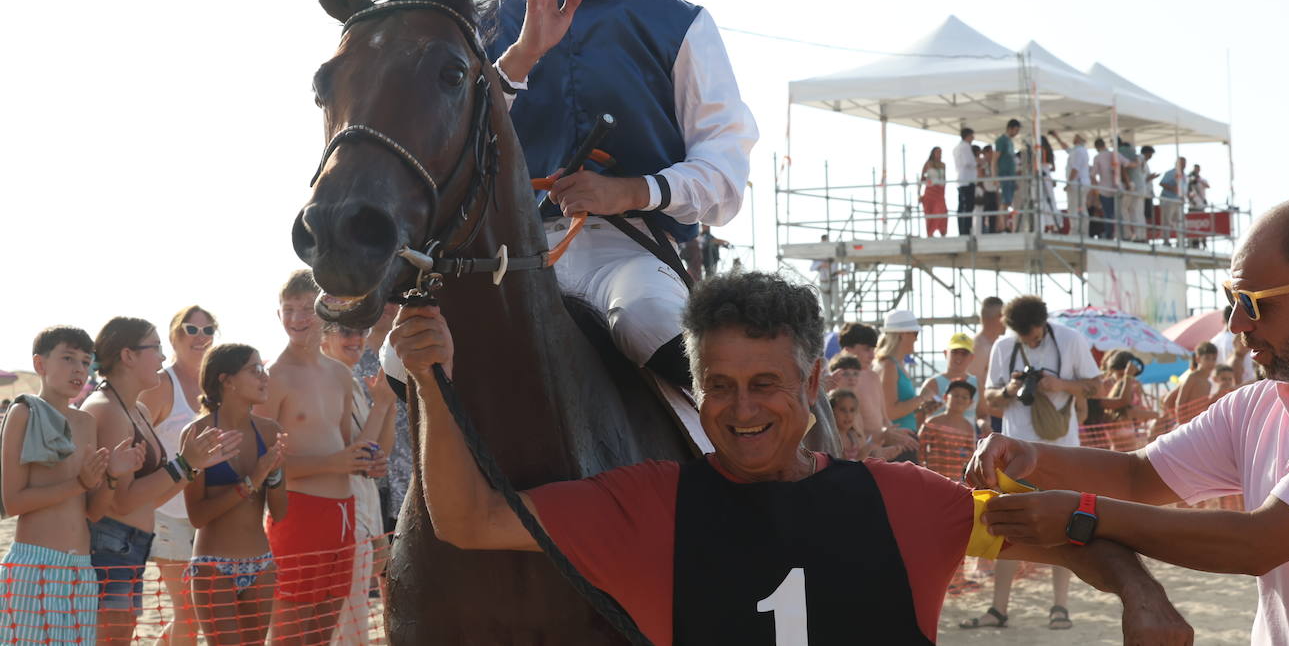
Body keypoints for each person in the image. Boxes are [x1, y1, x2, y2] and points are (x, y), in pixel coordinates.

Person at [390, 270, 1191, 643]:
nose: (742, 411)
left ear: (812, 379)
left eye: (766, 384)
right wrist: (430, 383)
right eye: (722, 386)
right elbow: (466, 519)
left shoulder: (904, 499)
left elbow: (1066, 532)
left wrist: (1139, 592)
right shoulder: (646, 508)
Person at [971, 198, 1289, 646]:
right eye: (1231, 300)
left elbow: (1260, 542)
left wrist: (1083, 514)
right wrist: (1031, 456)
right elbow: (1137, 474)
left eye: (1253, 304)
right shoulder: (1257, 404)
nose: (1237, 324)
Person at [480, 0, 757, 392]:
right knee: (406, 360)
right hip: (504, 261)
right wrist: (522, 56)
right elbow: (447, 146)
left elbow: (726, 176)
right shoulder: (477, 27)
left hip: (629, 256)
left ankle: (729, 478)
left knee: (648, 319)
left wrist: (631, 191)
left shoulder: (677, 21)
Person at [83, 318, 239, 646]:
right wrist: (184, 463)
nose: (162, 358)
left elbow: (148, 496)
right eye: (155, 348)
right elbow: (121, 501)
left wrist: (193, 467)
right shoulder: (106, 409)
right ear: (127, 355)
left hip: (130, 543)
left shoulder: (134, 407)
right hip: (110, 546)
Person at [963, 295, 1101, 631]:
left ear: (1045, 323)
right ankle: (998, 609)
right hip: (1015, 455)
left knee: (1067, 527)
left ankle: (1060, 607)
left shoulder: (1069, 339)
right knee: (1007, 529)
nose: (1031, 342)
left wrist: (1060, 385)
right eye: (1025, 339)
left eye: (1036, 337)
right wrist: (1010, 390)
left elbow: (1096, 386)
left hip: (1064, 452)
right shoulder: (1003, 346)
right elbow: (991, 401)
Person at [0, 327, 144, 646]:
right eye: (68, 358)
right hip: (33, 565)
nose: (79, 368)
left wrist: (111, 476)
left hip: (80, 569)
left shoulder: (85, 422)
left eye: (85, 360)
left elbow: (92, 512)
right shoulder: (23, 412)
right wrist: (78, 482)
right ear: (40, 364)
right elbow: (12, 503)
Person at [255, 270, 375, 646]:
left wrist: (369, 461)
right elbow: (262, 468)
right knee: (290, 636)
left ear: (325, 312)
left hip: (344, 514)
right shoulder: (273, 378)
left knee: (321, 636)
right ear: (278, 315)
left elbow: (343, 451)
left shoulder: (341, 375)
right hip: (297, 515)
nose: (297, 318)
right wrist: (334, 464)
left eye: (306, 308)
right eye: (288, 309)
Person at [182, 344, 288, 646]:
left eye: (263, 369)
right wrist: (251, 481)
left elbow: (279, 514)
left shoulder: (270, 432)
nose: (264, 376)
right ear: (227, 380)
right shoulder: (197, 434)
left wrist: (275, 473)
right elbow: (197, 516)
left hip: (262, 563)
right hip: (213, 566)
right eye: (254, 370)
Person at [140, 305, 218, 646]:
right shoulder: (160, 385)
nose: (200, 337)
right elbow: (139, 446)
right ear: (174, 336)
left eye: (208, 330)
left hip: (209, 514)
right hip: (167, 514)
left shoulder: (217, 386)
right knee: (189, 611)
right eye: (191, 329)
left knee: (200, 612)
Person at [320, 321, 395, 645]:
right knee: (345, 628)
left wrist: (388, 402)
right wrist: (380, 404)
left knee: (355, 622)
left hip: (362, 514)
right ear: (324, 336)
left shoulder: (348, 379)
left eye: (360, 331)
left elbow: (380, 453)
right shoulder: (327, 380)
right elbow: (359, 458)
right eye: (346, 332)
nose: (356, 339)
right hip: (340, 518)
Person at [837, 323, 917, 455]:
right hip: (855, 453)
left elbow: (884, 419)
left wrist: (893, 434)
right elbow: (851, 427)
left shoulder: (873, 376)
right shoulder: (842, 380)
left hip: (876, 450)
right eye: (866, 349)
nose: (872, 356)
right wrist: (882, 437)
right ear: (848, 349)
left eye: (873, 350)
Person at [874, 310, 935, 446]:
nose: (916, 338)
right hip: (898, 441)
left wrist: (921, 408)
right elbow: (890, 412)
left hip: (903, 439)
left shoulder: (895, 364)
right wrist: (922, 398)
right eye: (915, 333)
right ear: (902, 334)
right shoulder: (889, 365)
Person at [917, 380, 977, 479]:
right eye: (955, 395)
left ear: (970, 402)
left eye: (964, 397)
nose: (959, 399)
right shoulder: (932, 422)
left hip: (956, 479)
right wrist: (921, 471)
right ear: (945, 397)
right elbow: (920, 449)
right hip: (932, 477)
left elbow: (970, 455)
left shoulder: (968, 428)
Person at [916, 333, 980, 418]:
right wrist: (925, 411)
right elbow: (919, 416)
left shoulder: (977, 383)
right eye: (955, 352)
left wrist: (983, 424)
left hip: (969, 431)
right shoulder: (932, 383)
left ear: (972, 357)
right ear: (946, 353)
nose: (959, 357)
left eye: (964, 353)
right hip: (938, 431)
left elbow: (983, 415)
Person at [827, 389, 898, 461]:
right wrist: (866, 450)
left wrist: (884, 453)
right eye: (842, 409)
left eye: (852, 410)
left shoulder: (854, 437)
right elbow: (844, 466)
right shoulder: (832, 439)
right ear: (831, 411)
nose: (848, 415)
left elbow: (865, 457)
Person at [971, 297, 1005, 434]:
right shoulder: (978, 347)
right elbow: (975, 388)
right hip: (990, 419)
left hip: (998, 413)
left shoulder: (996, 344)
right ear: (1000, 317)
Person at [1174, 342, 1218, 425]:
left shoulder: (1209, 383)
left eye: (1214, 359)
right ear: (1198, 359)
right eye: (1207, 358)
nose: (1211, 362)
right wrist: (1181, 424)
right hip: (1186, 423)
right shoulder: (1192, 377)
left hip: (1198, 423)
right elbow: (1180, 403)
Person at [993, 120, 1021, 230]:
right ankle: (1003, 226)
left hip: (1011, 176)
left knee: (1008, 201)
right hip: (1004, 175)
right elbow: (995, 160)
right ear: (1010, 128)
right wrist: (995, 176)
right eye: (1016, 130)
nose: (1016, 133)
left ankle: (1006, 226)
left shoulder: (1010, 142)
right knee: (1005, 201)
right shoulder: (1001, 141)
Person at [1091, 137, 1119, 240]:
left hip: (1104, 190)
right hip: (1116, 188)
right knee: (1117, 213)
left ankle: (1109, 234)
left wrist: (1096, 189)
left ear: (1097, 147)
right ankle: (1118, 234)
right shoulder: (1113, 155)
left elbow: (1093, 174)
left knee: (1108, 214)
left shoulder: (1098, 157)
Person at [1064, 134, 1092, 236]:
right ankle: (1082, 231)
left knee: (1073, 208)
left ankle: (1075, 231)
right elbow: (1066, 148)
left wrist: (1069, 183)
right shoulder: (1079, 151)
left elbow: (1075, 169)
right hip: (1081, 182)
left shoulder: (1079, 151)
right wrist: (1056, 137)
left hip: (1077, 183)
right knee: (1081, 207)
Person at [953, 127, 978, 237]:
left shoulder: (957, 148)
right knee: (968, 206)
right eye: (972, 136)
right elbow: (968, 162)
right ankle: (966, 230)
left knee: (962, 206)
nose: (973, 138)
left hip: (961, 180)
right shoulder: (965, 147)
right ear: (968, 136)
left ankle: (962, 230)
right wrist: (977, 162)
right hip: (968, 180)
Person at [1118, 139, 1145, 242]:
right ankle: (1139, 236)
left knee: (1128, 211)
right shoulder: (1137, 156)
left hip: (1133, 186)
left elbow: (1123, 168)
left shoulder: (1123, 153)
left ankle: (1133, 235)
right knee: (1137, 212)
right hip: (1138, 187)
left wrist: (1127, 183)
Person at [919, 146, 948, 237]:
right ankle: (930, 233)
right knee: (931, 212)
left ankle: (943, 232)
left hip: (940, 192)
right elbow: (922, 179)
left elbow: (944, 179)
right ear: (933, 153)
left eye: (941, 152)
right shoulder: (928, 164)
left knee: (942, 211)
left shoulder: (943, 165)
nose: (940, 154)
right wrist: (919, 194)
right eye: (938, 152)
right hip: (930, 191)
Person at [1158, 157, 1186, 246]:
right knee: (1167, 221)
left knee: (1180, 222)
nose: (1184, 165)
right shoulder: (1171, 173)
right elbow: (1162, 183)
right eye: (1182, 163)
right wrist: (1173, 188)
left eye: (1184, 163)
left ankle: (1180, 241)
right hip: (1168, 200)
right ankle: (1166, 241)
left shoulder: (1184, 175)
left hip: (1178, 202)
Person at [977, 144, 1001, 234]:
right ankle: (983, 231)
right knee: (985, 213)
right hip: (986, 191)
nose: (991, 154)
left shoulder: (995, 163)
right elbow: (980, 175)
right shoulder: (984, 164)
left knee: (994, 214)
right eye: (990, 152)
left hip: (994, 191)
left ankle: (993, 231)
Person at [1140, 146, 1159, 238]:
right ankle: (1144, 234)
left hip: (1148, 193)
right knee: (1145, 215)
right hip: (1144, 193)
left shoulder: (1145, 164)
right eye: (1150, 154)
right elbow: (1141, 179)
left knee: (1148, 215)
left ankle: (1147, 234)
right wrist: (1150, 178)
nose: (1151, 156)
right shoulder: (1141, 162)